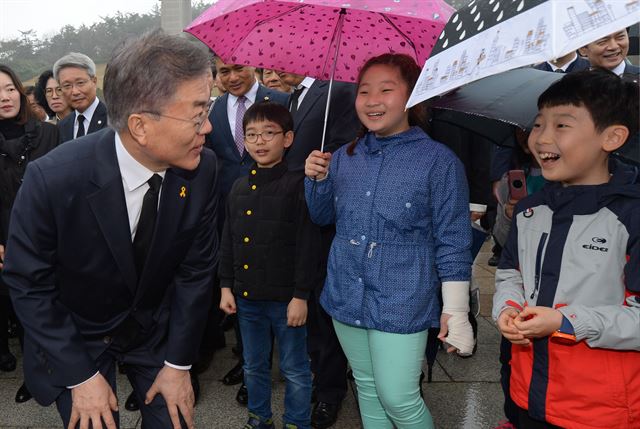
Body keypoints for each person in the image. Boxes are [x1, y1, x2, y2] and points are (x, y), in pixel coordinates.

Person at [2, 31, 219, 429]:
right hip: (77, 334)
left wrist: (178, 363)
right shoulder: (53, 179)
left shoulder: (203, 169)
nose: (207, 128)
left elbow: (195, 274)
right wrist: (82, 378)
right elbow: (28, 282)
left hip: (154, 331)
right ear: (140, 126)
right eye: (198, 113)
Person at [304, 53, 474, 429]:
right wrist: (317, 180)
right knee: (367, 387)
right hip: (346, 292)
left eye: (386, 90)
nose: (372, 100)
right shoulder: (345, 156)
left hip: (403, 299)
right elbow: (322, 218)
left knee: (399, 397)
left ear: (412, 97)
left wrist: (456, 310)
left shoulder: (438, 161)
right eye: (364, 91)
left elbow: (453, 240)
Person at [493, 68, 640, 428]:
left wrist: (567, 322)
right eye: (539, 124)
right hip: (528, 392)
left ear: (612, 137)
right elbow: (510, 273)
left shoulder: (631, 216)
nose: (541, 138)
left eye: (562, 125)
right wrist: (507, 309)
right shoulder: (530, 210)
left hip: (602, 410)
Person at [219, 101, 320, 429]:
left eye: (269, 133)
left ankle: (297, 421)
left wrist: (301, 295)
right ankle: (259, 417)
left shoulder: (298, 185)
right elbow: (228, 240)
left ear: (287, 139)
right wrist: (224, 286)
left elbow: (307, 245)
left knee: (294, 368)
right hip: (248, 298)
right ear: (243, 141)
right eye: (252, 135)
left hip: (286, 300)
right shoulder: (238, 187)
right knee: (253, 365)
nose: (260, 141)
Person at [277, 70, 359, 428]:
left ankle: (330, 390)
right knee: (303, 300)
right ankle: (312, 375)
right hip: (290, 214)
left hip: (323, 212)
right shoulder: (287, 98)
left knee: (324, 307)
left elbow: (347, 144)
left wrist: (321, 170)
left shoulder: (338, 91)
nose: (278, 65)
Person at [205, 56, 288, 404]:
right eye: (224, 71)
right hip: (232, 209)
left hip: (277, 208)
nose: (233, 76)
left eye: (239, 68)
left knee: (277, 282)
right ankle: (247, 360)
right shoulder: (214, 110)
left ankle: (287, 359)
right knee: (241, 283)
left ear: (253, 67)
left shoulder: (280, 101)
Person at [0, 64, 59, 404]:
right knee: (23, 309)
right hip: (9, 239)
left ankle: (65, 365)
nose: (4, 97)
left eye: (9, 88)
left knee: (57, 303)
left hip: (50, 235)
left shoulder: (49, 134)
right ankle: (34, 375)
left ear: (19, 92)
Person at [54, 52, 108, 142]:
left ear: (94, 81)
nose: (75, 92)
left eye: (80, 83)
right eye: (67, 85)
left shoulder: (114, 119)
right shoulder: (62, 127)